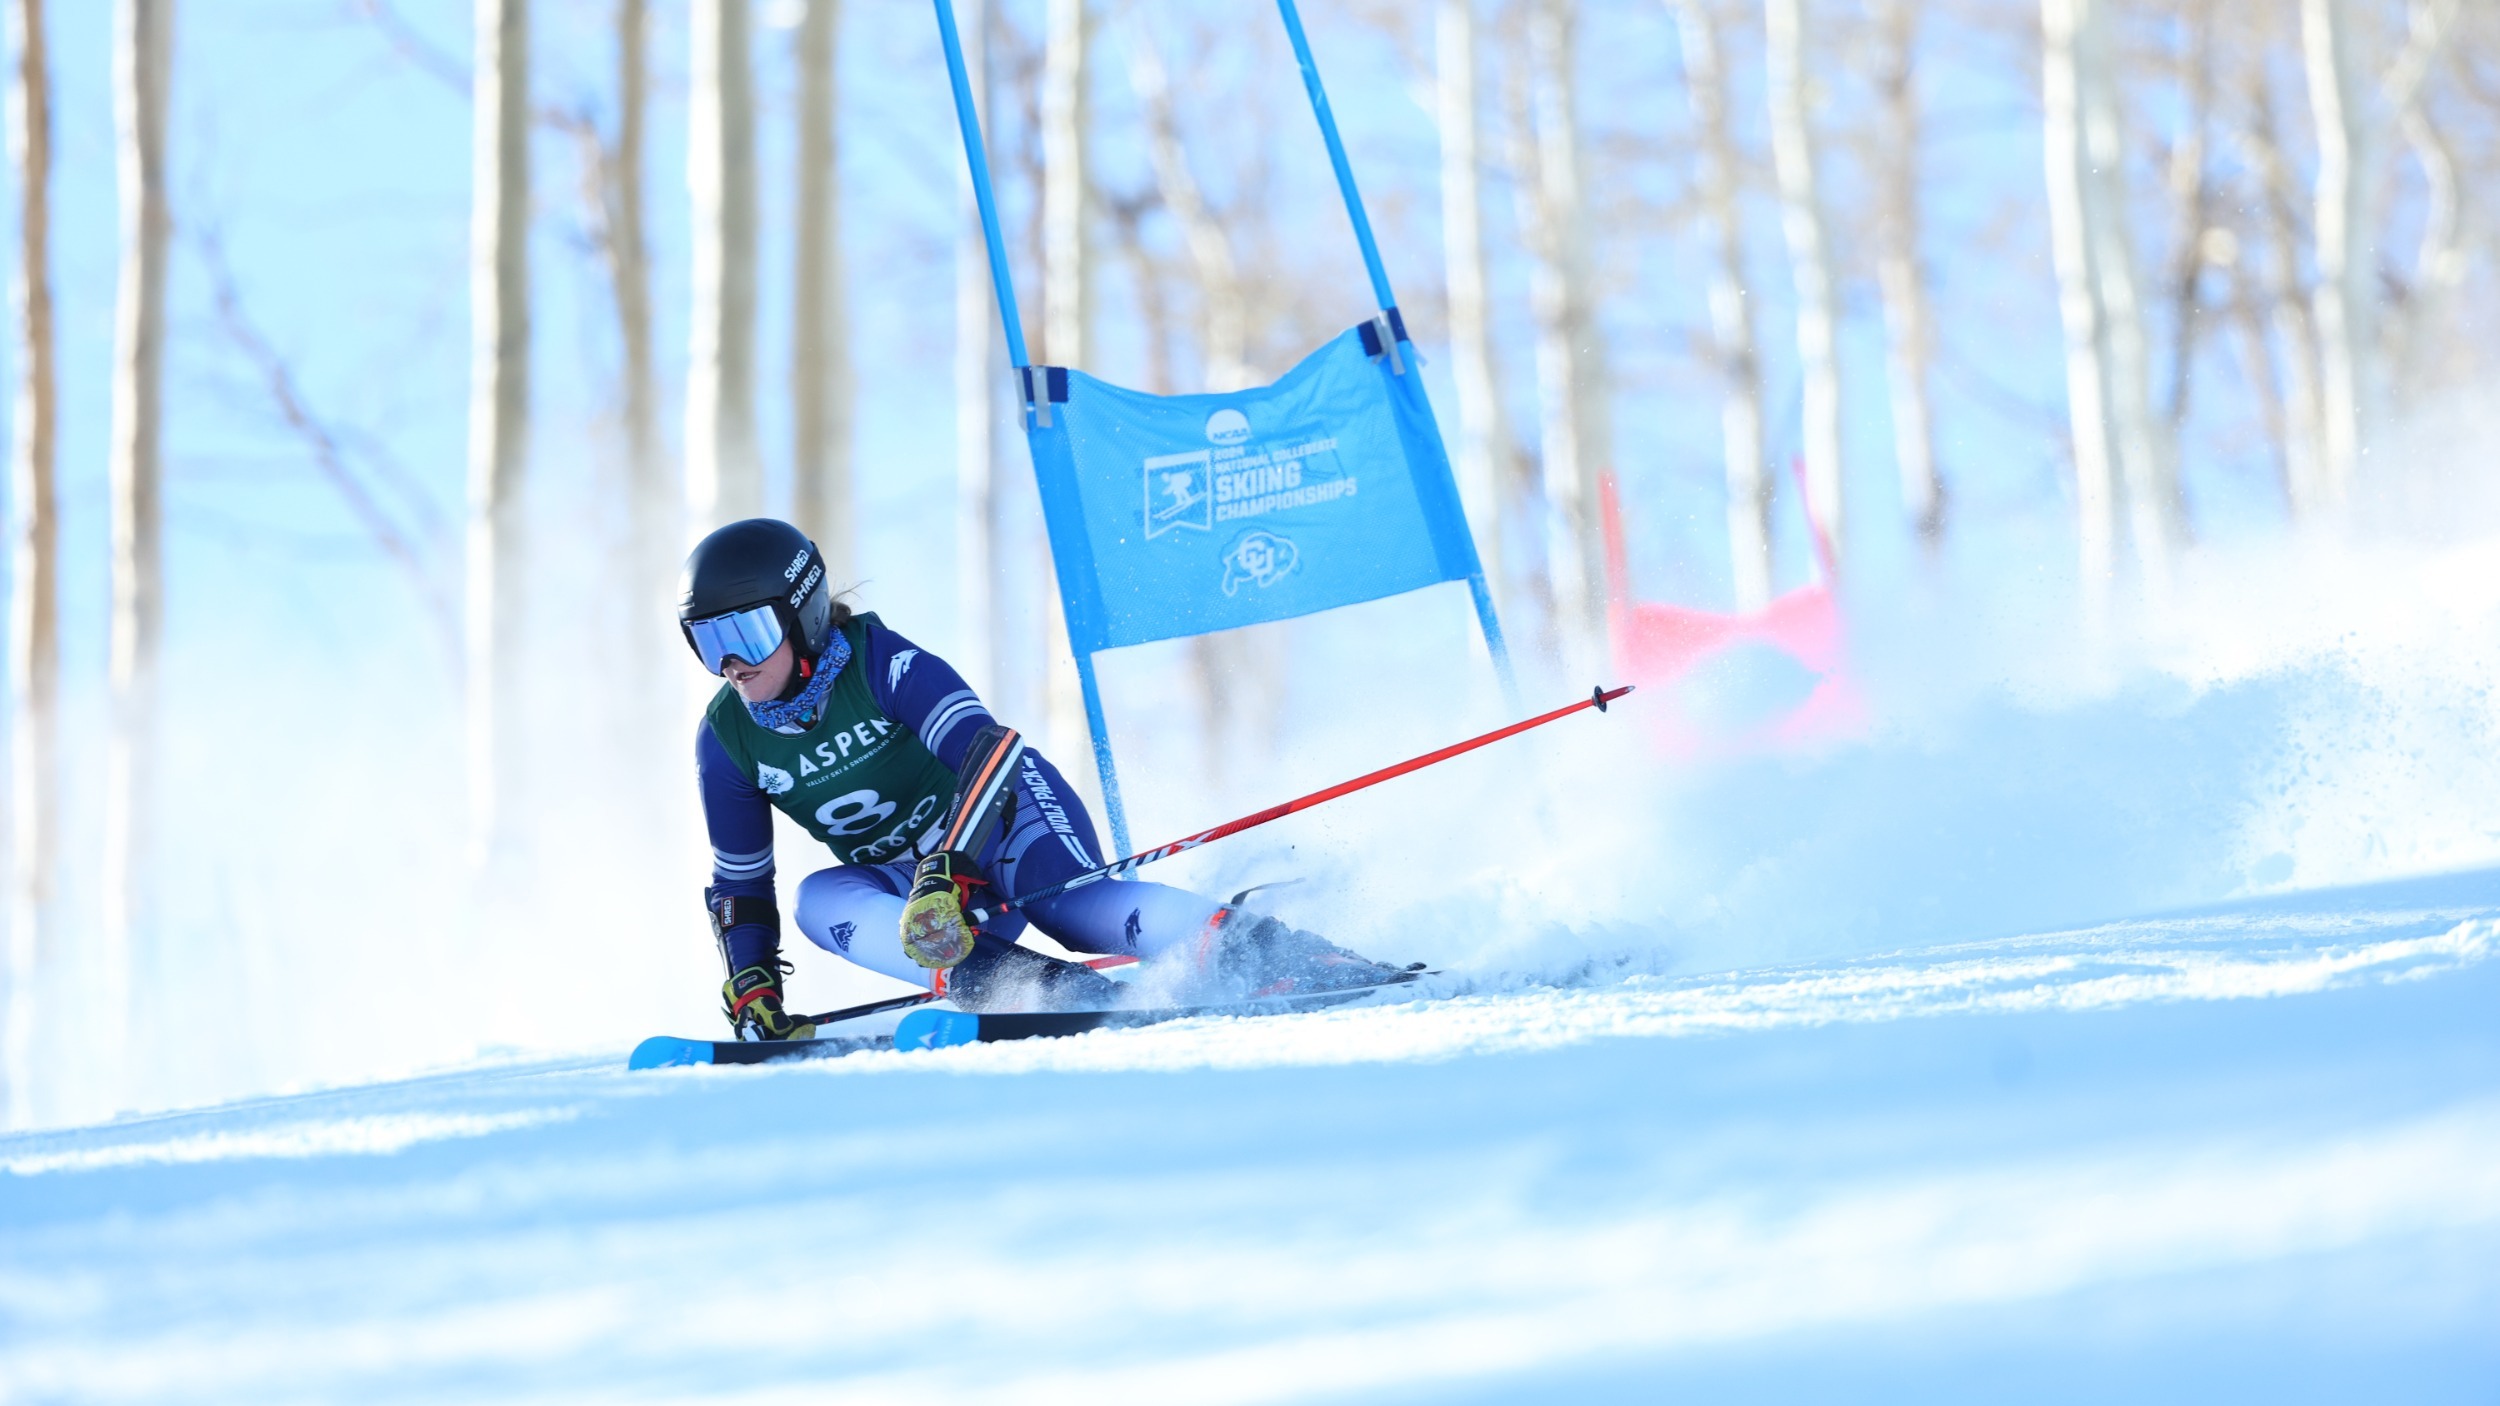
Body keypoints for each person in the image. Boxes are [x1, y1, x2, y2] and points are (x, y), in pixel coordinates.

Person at [681, 517, 1404, 1041]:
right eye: (707, 642)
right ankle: (1034, 989)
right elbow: (742, 884)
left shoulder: (883, 664)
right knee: (817, 900)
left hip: (1004, 825)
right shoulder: (726, 739)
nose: (730, 665)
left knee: (1075, 909)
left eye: (744, 635)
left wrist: (950, 866)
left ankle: (1290, 955)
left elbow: (988, 752)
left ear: (802, 616)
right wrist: (753, 982)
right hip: (924, 899)